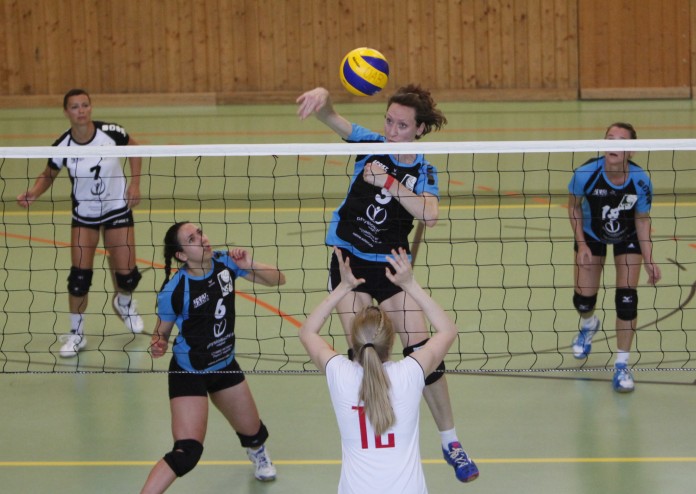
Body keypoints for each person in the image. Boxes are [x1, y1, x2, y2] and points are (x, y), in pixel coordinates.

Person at [297, 85, 478, 482]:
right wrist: (324, 98)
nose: (392, 131)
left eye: (402, 126)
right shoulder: (370, 144)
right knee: (362, 351)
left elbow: (430, 214)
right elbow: (332, 118)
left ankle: (450, 441)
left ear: (419, 129)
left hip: (393, 268)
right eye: (389, 122)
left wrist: (389, 182)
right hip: (350, 263)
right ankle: (370, 437)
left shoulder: (425, 171)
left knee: (424, 352)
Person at [300, 247, 472, 493]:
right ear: (392, 342)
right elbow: (447, 330)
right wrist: (410, 285)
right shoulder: (410, 374)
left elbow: (307, 332)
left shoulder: (340, 375)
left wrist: (343, 287)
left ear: (354, 342)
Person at [141, 222, 285, 493]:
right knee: (187, 452)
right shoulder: (174, 291)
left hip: (225, 365)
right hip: (189, 372)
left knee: (254, 434)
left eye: (200, 232)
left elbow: (279, 279)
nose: (203, 239)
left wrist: (249, 263)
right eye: (192, 239)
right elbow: (161, 333)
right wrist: (158, 344)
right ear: (181, 255)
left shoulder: (226, 263)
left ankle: (257, 452)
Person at [17, 88, 144, 358]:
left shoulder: (111, 133)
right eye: (75, 107)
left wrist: (135, 183)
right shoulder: (63, 145)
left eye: (85, 105)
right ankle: (77, 334)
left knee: (128, 277)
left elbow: (135, 148)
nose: (81, 111)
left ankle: (123, 302)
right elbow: (48, 174)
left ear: (91, 108)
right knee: (79, 279)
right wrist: (34, 193)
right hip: (85, 216)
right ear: (66, 112)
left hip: (116, 208)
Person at [568, 122, 661, 392]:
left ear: (631, 151)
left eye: (621, 141)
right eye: (609, 138)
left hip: (627, 235)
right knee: (583, 300)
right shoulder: (585, 174)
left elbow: (642, 219)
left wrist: (649, 258)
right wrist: (581, 245)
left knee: (627, 300)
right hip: (591, 234)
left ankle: (622, 365)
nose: (613, 145)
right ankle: (589, 324)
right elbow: (573, 207)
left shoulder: (640, 181)